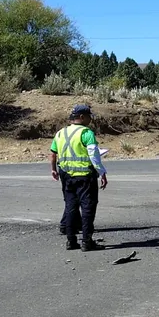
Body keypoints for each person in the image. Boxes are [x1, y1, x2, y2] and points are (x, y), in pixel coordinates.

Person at [50, 104, 108, 251]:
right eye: (89, 116)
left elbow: (53, 154)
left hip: (66, 176)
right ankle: (87, 241)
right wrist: (102, 172)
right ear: (82, 117)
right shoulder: (86, 133)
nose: (90, 119)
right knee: (88, 208)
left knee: (71, 206)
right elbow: (94, 156)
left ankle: (71, 241)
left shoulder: (60, 133)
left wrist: (53, 170)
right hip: (85, 177)